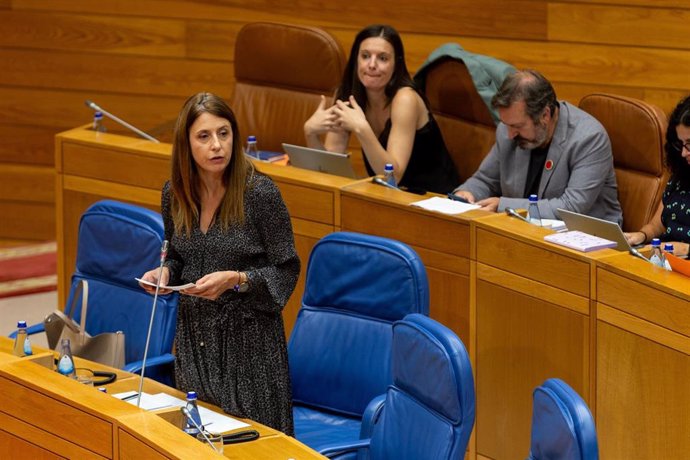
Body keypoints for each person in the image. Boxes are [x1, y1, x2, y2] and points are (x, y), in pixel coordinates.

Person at [138, 92, 300, 435]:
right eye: (204, 136)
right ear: (186, 145)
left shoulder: (260, 194)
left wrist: (237, 279)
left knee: (252, 447)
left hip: (249, 349)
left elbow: (286, 270)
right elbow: (181, 255)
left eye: (224, 134)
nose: (217, 146)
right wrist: (165, 272)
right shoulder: (175, 194)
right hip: (195, 339)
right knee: (196, 443)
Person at [304, 24, 459, 194]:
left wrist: (362, 128)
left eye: (383, 58)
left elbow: (393, 177)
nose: (371, 65)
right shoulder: (347, 94)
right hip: (388, 197)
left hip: (434, 200)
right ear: (356, 59)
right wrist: (311, 134)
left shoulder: (406, 99)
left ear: (396, 64)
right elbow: (330, 170)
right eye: (365, 56)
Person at [452, 69, 623, 224]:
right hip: (526, 232)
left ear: (545, 115)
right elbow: (486, 180)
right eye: (507, 124)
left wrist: (503, 205)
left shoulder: (589, 138)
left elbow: (572, 207)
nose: (510, 134)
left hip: (589, 240)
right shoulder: (508, 130)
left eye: (518, 126)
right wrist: (468, 193)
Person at [624, 95, 690, 256]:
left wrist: (686, 249)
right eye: (681, 144)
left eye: (689, 144)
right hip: (665, 261)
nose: (683, 152)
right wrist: (641, 235)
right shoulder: (681, 175)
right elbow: (657, 225)